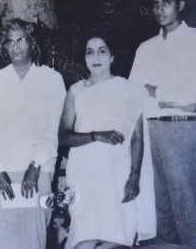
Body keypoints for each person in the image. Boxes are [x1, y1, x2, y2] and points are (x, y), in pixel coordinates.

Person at [129, 0, 196, 248]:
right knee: (160, 211)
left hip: (183, 131)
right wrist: (172, 99)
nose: (160, 9)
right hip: (150, 131)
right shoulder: (146, 47)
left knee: (188, 208)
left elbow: (194, 93)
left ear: (180, 5)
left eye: (165, 2)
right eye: (155, 5)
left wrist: (156, 92)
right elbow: (134, 93)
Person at [59, 29, 156, 248]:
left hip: (117, 174)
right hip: (85, 175)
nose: (95, 57)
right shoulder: (76, 91)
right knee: (84, 235)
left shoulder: (129, 90)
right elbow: (63, 137)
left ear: (112, 57)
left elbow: (137, 138)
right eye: (90, 52)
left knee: (117, 235)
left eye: (102, 51)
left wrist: (134, 176)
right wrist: (95, 135)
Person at [0, 18, 66, 249]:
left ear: (32, 43)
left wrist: (35, 167)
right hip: (4, 174)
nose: (16, 46)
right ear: (4, 47)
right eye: (10, 42)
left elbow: (53, 130)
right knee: (6, 241)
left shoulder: (51, 79)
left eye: (21, 40)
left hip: (39, 173)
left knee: (34, 239)